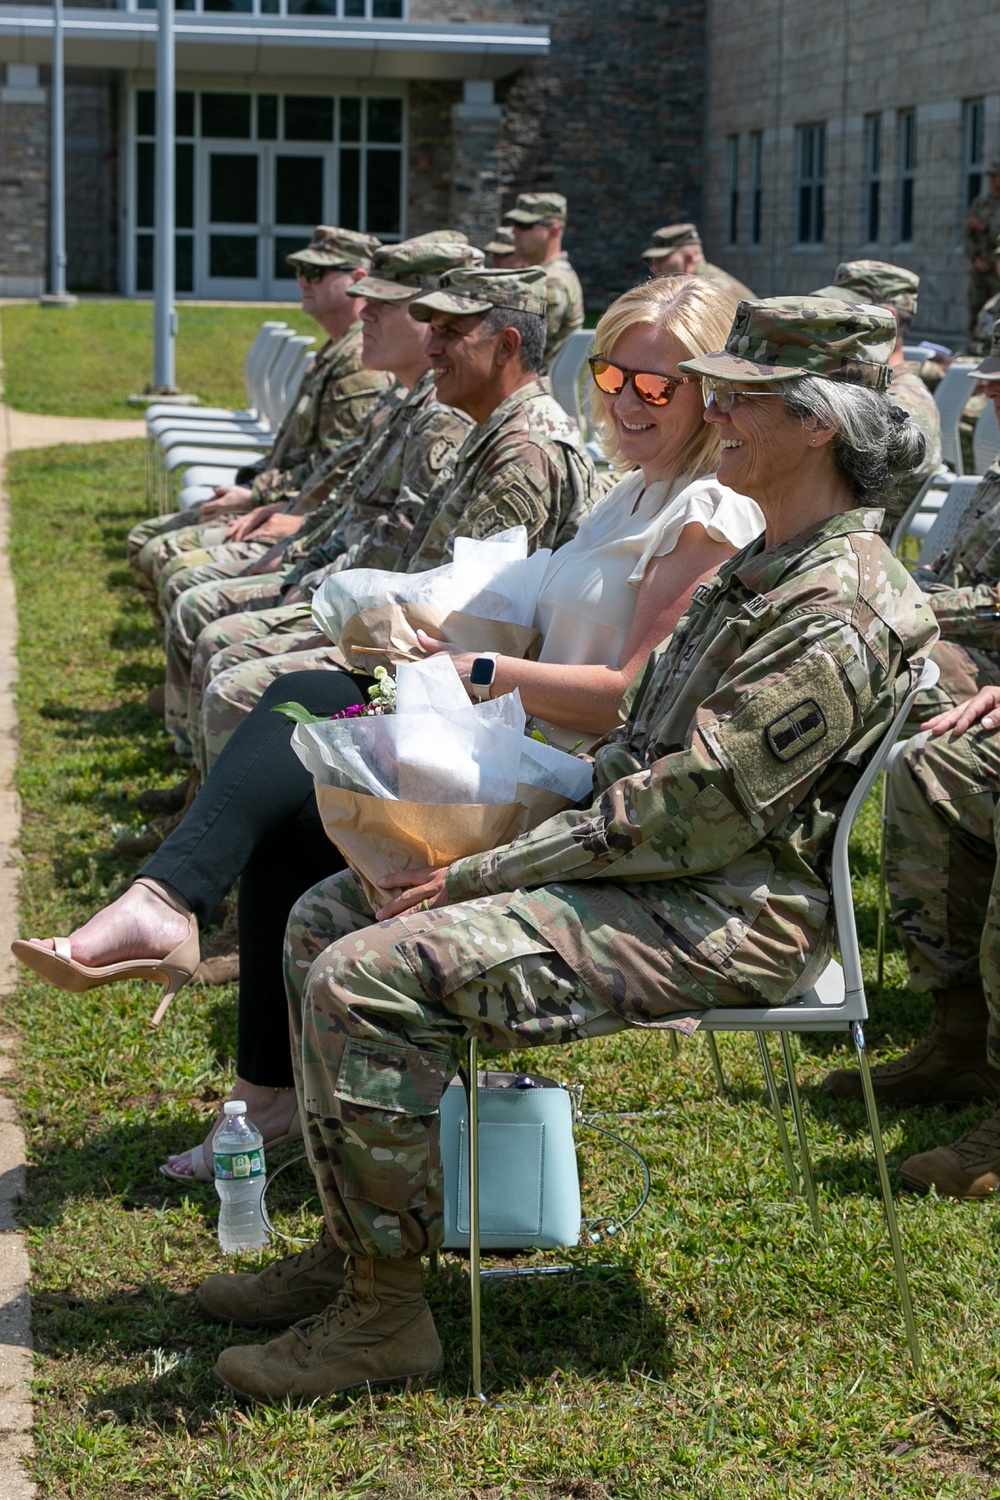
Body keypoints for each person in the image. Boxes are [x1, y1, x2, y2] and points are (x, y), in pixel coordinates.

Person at [191, 296, 936, 1404]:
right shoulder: (771, 560)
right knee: (326, 916)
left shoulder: (834, 604)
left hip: (726, 909)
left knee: (370, 972)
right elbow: (637, 756)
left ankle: (385, 1320)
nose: (713, 409)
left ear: (818, 424)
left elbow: (694, 813)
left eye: (740, 395)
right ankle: (364, 1249)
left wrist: (480, 870)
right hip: (660, 868)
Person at [11, 274, 763, 1188]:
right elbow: (533, 615)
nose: (628, 402)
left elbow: (626, 697)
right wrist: (438, 628)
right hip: (518, 746)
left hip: (575, 787)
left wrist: (474, 671)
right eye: (614, 376)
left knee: (310, 698)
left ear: (714, 389)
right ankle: (256, 1077)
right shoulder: (633, 491)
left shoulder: (709, 514)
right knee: (302, 768)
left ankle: (167, 910)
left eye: (659, 385)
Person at [163, 263, 603, 768]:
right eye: (432, 331)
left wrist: (348, 634)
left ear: (506, 346)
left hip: (451, 681)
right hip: (418, 645)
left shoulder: (524, 455)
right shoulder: (497, 433)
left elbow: (478, 626)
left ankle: (227, 833)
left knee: (237, 684)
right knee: (234, 662)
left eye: (452, 333)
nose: (432, 348)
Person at [128, 226, 392, 599]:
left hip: (297, 513)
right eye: (299, 270)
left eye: (315, 273)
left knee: (163, 554)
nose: (302, 281)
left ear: (358, 279)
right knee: (148, 540)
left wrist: (257, 498)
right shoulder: (338, 350)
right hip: (284, 502)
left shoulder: (358, 364)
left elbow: (335, 468)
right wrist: (252, 490)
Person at [810, 259, 942, 522]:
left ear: (886, 321)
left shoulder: (902, 403)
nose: (832, 324)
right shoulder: (873, 391)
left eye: (847, 315)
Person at [503, 192, 583, 371]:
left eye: (524, 225)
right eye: (515, 224)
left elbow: (525, 349)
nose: (514, 232)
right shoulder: (545, 275)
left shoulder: (551, 282)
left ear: (553, 230)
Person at [641, 221, 755, 303]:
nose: (653, 268)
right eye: (651, 262)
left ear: (689, 259)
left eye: (661, 260)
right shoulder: (696, 285)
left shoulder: (710, 292)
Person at [963, 160, 1000, 343]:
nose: (993, 180)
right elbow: (967, 235)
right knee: (977, 311)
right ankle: (974, 348)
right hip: (980, 270)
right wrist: (975, 258)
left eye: (996, 175)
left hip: (997, 271)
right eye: (991, 176)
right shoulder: (980, 204)